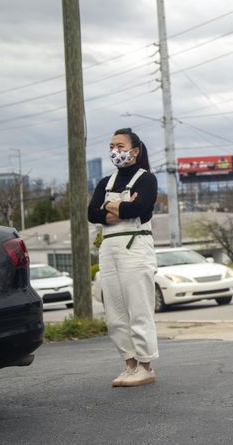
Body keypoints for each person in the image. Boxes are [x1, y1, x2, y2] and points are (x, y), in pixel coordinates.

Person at [88, 128, 159, 387]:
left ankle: (145, 365)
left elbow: (140, 208)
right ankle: (129, 364)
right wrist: (118, 208)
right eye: (111, 146)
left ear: (135, 151)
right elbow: (91, 213)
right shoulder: (105, 182)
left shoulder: (146, 179)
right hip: (108, 248)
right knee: (115, 311)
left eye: (120, 145)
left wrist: (112, 207)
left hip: (135, 246)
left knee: (138, 308)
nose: (115, 151)